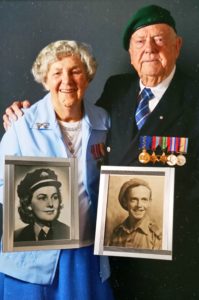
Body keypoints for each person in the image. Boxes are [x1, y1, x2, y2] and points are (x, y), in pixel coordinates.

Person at [2, 4, 199, 299]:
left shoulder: (197, 103)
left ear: (177, 46)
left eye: (159, 39)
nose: (149, 48)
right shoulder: (26, 124)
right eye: (140, 41)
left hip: (131, 253)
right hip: (39, 254)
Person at [0, 40, 114, 300]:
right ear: (44, 80)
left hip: (87, 254)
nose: (67, 80)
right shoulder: (21, 123)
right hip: (33, 256)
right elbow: (1, 185)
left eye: (75, 70)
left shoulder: (104, 122)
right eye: (57, 72)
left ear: (87, 76)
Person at [14, 168, 70, 242]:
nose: (50, 204)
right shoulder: (17, 236)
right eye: (42, 198)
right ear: (28, 204)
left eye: (55, 197)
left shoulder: (68, 233)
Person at [109, 178, 162, 250]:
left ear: (149, 202)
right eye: (133, 199)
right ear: (125, 202)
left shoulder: (156, 235)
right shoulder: (117, 232)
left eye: (144, 199)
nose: (139, 205)